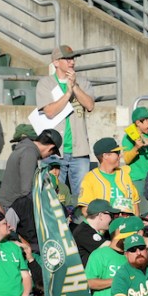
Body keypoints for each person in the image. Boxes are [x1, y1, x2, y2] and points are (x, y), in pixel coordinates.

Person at [36, 46, 96, 197]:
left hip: (79, 151)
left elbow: (89, 105)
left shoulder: (82, 82)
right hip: (54, 151)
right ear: (56, 62)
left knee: (82, 197)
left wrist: (74, 86)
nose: (72, 62)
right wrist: (68, 93)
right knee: (53, 195)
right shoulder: (45, 83)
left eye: (73, 58)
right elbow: (49, 112)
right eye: (67, 58)